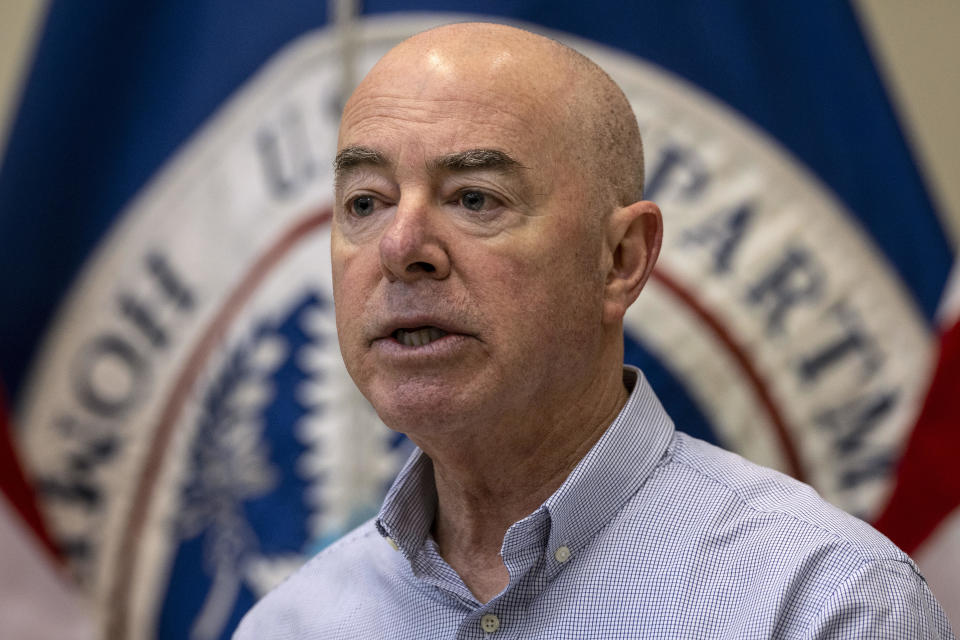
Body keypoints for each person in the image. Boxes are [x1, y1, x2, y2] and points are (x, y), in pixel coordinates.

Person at [235, 22, 954, 639]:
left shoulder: (821, 603)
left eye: (475, 198)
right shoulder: (292, 623)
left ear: (621, 260)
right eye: (365, 202)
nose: (400, 247)